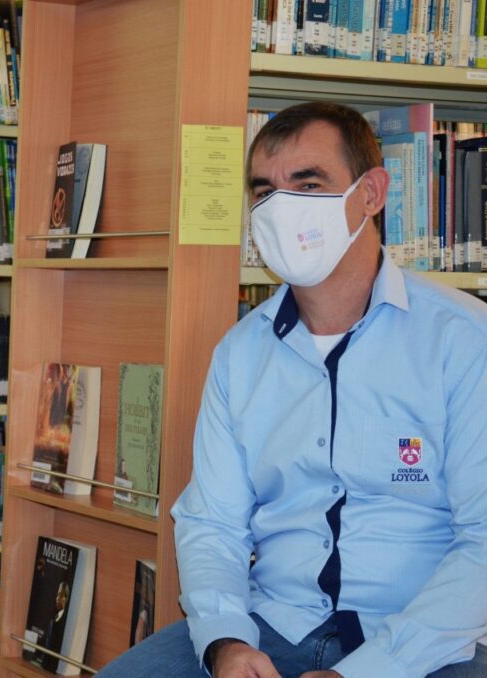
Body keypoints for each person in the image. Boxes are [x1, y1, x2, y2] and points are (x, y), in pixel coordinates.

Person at [98, 102, 487, 677]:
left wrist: (367, 671)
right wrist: (226, 642)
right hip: (275, 625)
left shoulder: (464, 341)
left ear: (371, 193)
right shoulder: (240, 355)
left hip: (425, 642)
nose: (281, 208)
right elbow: (212, 524)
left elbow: (482, 542)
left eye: (308, 185)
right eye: (264, 191)